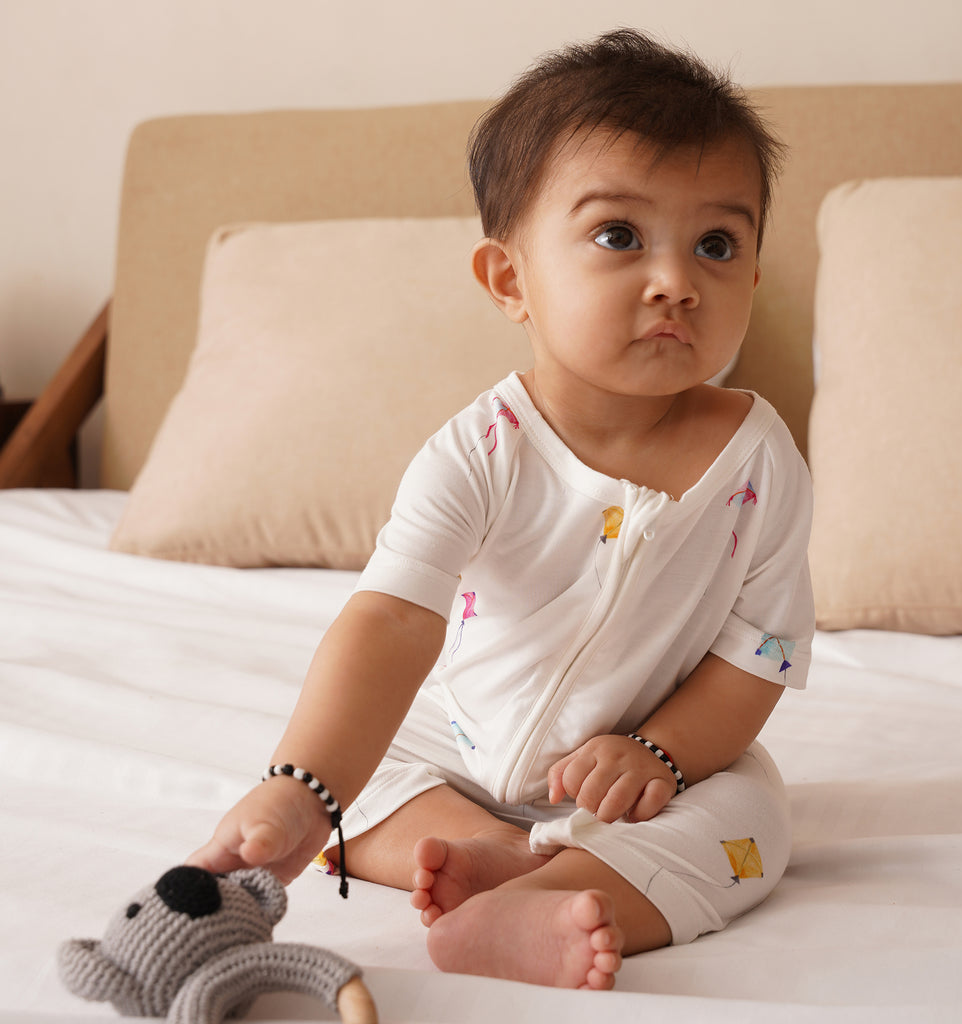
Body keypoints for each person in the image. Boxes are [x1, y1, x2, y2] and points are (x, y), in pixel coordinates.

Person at [189, 28, 814, 991]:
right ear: (511, 280)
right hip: (463, 739)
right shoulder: (480, 452)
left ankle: (553, 898)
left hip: (648, 763)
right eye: (619, 236)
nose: (677, 282)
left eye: (717, 245)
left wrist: (660, 753)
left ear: (754, 276)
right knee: (358, 778)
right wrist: (302, 788)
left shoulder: (759, 460)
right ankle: (501, 857)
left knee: (752, 823)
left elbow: (756, 653)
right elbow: (391, 622)